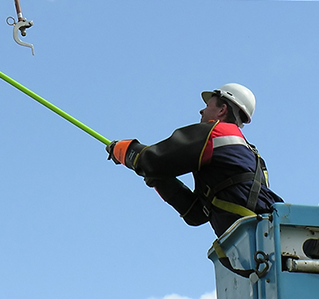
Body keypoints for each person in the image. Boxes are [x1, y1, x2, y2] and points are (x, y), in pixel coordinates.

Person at [107, 83, 282, 236]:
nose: (202, 110)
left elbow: (152, 161)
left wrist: (122, 149)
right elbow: (196, 213)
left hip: (254, 239)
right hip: (267, 236)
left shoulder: (215, 133)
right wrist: (159, 180)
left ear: (222, 110)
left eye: (208, 105)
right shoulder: (253, 157)